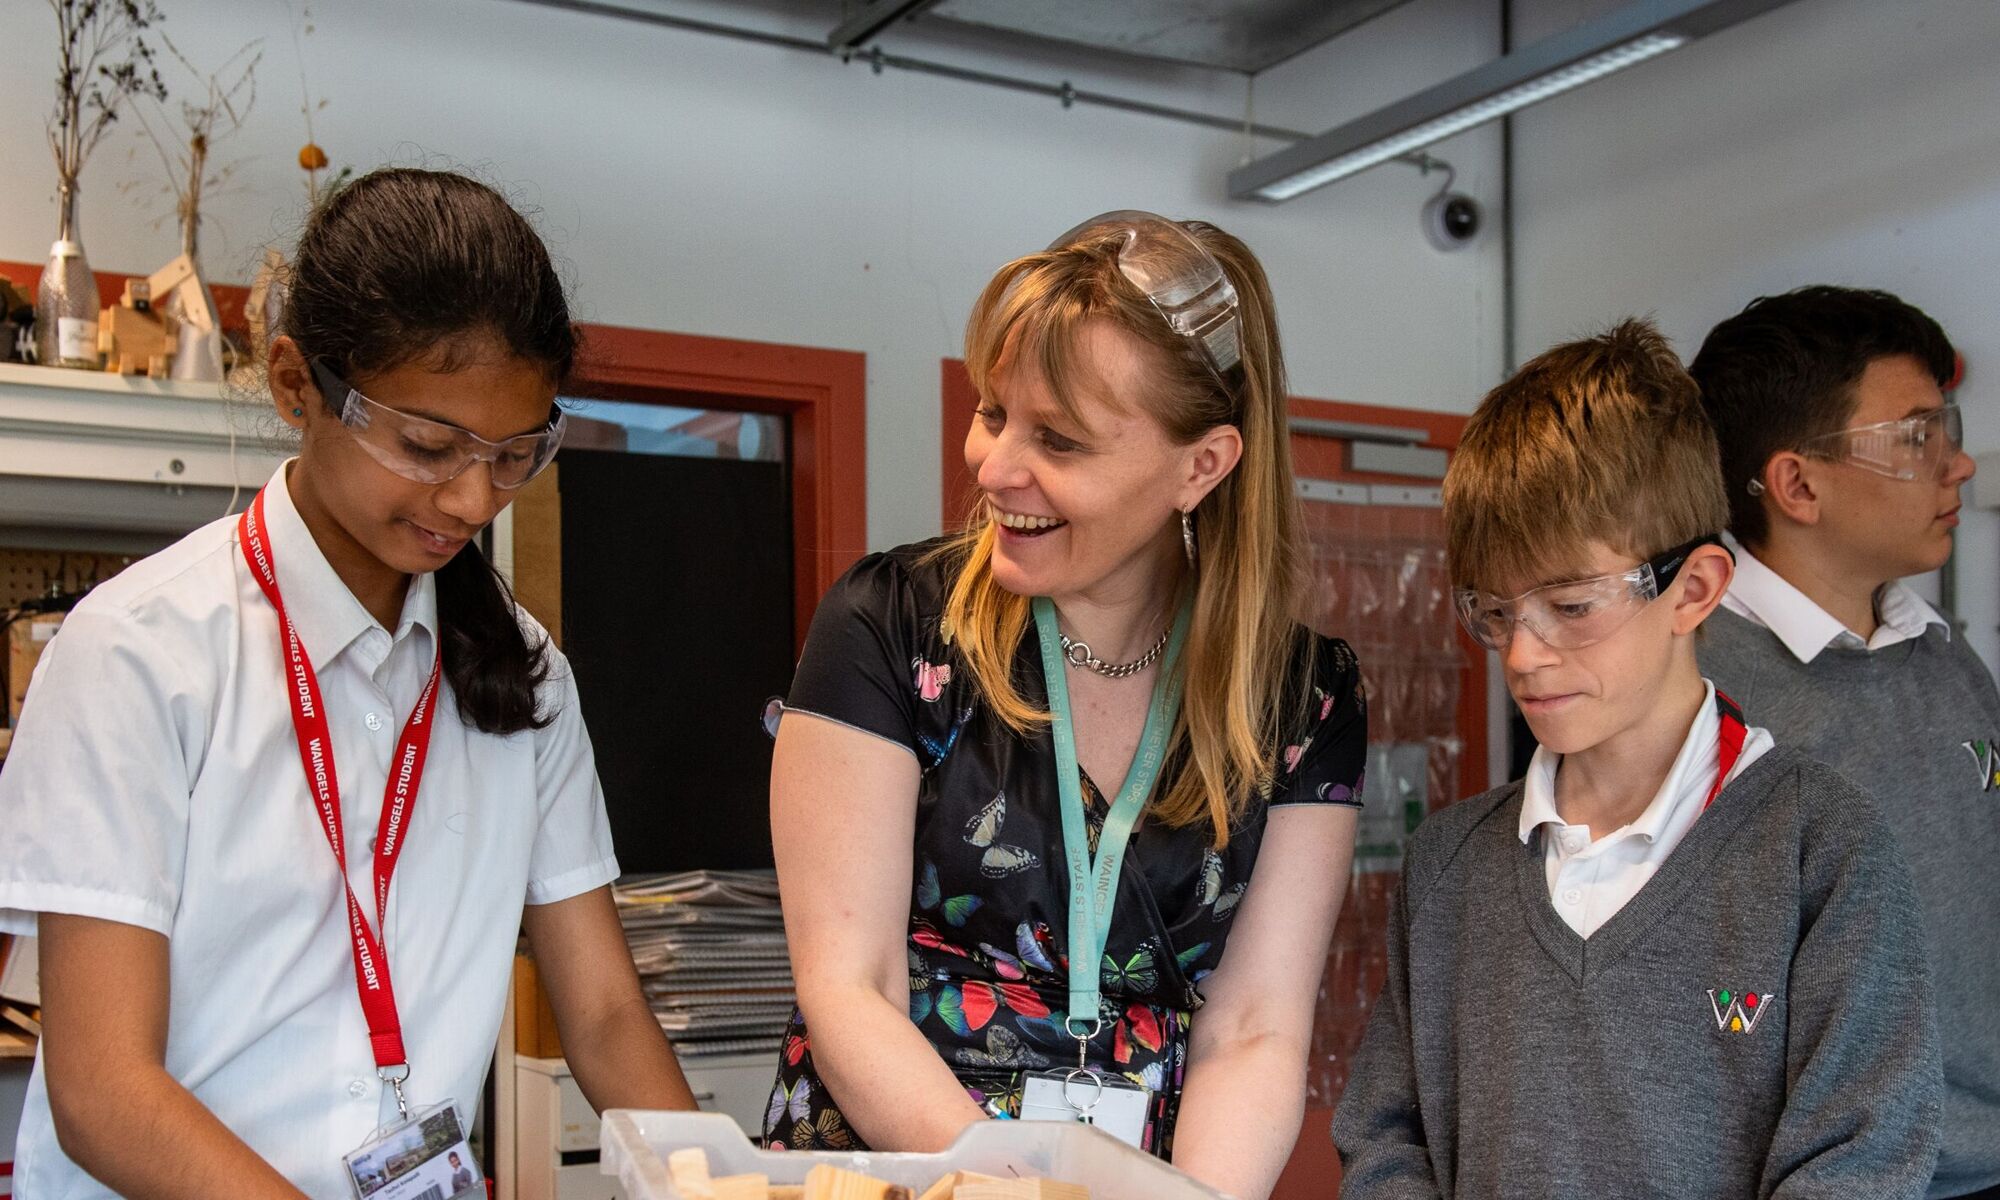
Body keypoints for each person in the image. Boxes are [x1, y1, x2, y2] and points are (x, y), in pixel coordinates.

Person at [0, 168, 695, 1200]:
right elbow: (105, 1090)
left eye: (513, 455)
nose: (469, 498)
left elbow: (599, 1014)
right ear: (295, 386)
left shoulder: (524, 673)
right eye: (425, 445)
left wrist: (710, 1182)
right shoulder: (140, 655)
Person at [763, 211, 1366, 1200]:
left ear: (1200, 466)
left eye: (1060, 440)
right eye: (991, 412)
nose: (992, 467)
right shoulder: (893, 626)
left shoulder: (1303, 696)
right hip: (894, 1170)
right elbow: (851, 990)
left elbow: (1252, 1029)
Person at [1332, 320, 1941, 1197]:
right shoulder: (1448, 867)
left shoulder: (1824, 850)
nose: (1524, 656)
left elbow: (1862, 1162)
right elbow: (1387, 1139)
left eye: (1572, 607)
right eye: (1496, 614)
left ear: (1694, 589)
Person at [1691, 285, 1998, 1200]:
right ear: (1797, 484)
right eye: (1917, 436)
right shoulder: (1690, 685)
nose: (1961, 464)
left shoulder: (1945, 658)